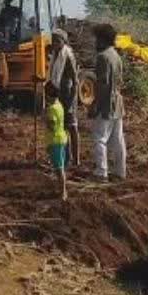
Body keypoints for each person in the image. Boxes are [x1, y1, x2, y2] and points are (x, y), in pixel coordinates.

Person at [89, 23, 127, 181]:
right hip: (117, 102)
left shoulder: (103, 57)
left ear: (103, 40)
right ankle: (120, 172)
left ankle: (101, 173)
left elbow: (103, 84)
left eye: (97, 39)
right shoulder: (116, 55)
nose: (95, 42)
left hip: (107, 103)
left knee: (99, 137)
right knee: (118, 139)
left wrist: (95, 104)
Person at [49, 29, 81, 165]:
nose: (55, 43)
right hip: (58, 95)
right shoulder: (55, 55)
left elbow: (75, 81)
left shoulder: (67, 55)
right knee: (61, 128)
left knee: (72, 127)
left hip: (68, 95)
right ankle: (66, 158)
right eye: (53, 41)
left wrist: (72, 101)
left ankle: (76, 160)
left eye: (58, 41)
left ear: (64, 41)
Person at [44, 81, 69, 201]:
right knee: (59, 166)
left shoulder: (52, 109)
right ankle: (61, 189)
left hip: (55, 141)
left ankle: (63, 191)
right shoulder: (59, 105)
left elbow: (52, 126)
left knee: (59, 168)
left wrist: (45, 118)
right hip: (61, 138)